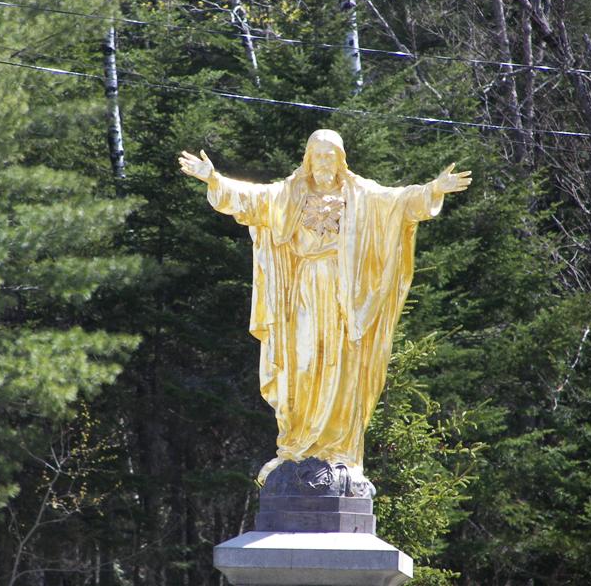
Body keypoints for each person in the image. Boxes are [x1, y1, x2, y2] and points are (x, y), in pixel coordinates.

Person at [179, 129, 471, 487]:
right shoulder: (289, 194)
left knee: (341, 366)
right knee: (301, 366)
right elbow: (251, 199)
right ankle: (297, 447)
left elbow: (399, 202)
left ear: (340, 160)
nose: (323, 163)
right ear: (308, 160)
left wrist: (434, 189)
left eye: (330, 156)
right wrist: (214, 179)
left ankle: (340, 453)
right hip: (303, 292)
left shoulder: (361, 195)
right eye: (317, 156)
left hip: (345, 298)